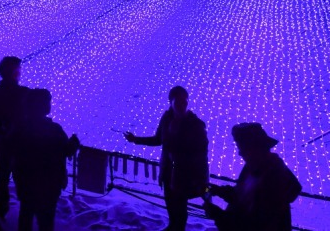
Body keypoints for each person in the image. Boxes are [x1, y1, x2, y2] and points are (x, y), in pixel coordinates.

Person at [124, 86, 209, 231]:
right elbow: (158, 139)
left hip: (184, 176)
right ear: (171, 102)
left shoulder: (195, 124)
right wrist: (136, 140)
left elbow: (201, 154)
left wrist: (203, 183)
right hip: (168, 174)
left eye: (185, 102)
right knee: (172, 212)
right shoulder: (167, 119)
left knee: (180, 214)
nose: (182, 106)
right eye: (178, 102)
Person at [204, 123, 301, 231]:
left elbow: (251, 224)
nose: (240, 154)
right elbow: (240, 195)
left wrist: (218, 215)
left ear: (255, 149)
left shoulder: (273, 182)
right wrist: (215, 190)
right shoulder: (254, 167)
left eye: (242, 148)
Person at [10, 89, 80, 231]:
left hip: (25, 180)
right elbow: (65, 151)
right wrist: (74, 143)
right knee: (46, 219)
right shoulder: (53, 129)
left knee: (26, 213)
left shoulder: (19, 128)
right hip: (49, 183)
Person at [0, 56, 30, 218]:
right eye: (18, 69)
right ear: (14, 72)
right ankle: (26, 211)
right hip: (21, 142)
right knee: (23, 177)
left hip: (2, 141)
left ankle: (1, 207)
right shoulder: (25, 93)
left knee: (2, 176)